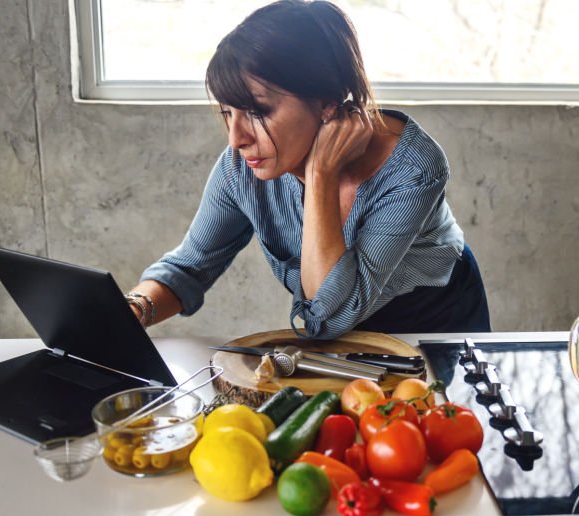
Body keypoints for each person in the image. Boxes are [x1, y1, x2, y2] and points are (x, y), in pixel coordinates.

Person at [125, 0, 490, 339]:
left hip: (436, 322)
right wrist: (132, 310)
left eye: (257, 112)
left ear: (326, 104)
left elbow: (330, 316)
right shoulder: (241, 168)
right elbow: (190, 267)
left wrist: (321, 176)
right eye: (227, 113)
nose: (236, 139)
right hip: (340, 332)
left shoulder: (413, 168)